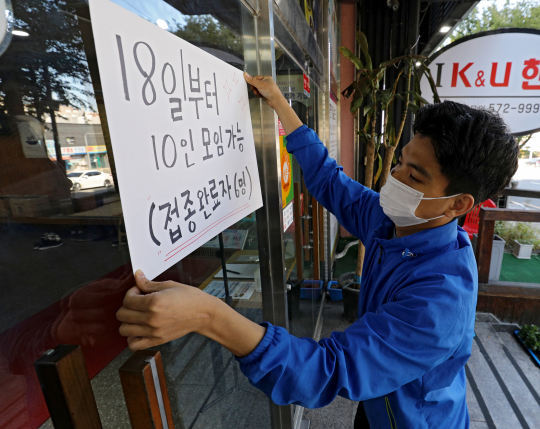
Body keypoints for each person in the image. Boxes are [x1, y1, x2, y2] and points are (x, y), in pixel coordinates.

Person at [116, 72, 519, 428]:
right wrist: (280, 106)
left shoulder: (441, 299)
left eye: (413, 175)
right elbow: (330, 181)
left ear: (458, 204)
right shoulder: (394, 222)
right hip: (380, 403)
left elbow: (330, 369)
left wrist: (206, 314)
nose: (392, 179)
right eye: (399, 163)